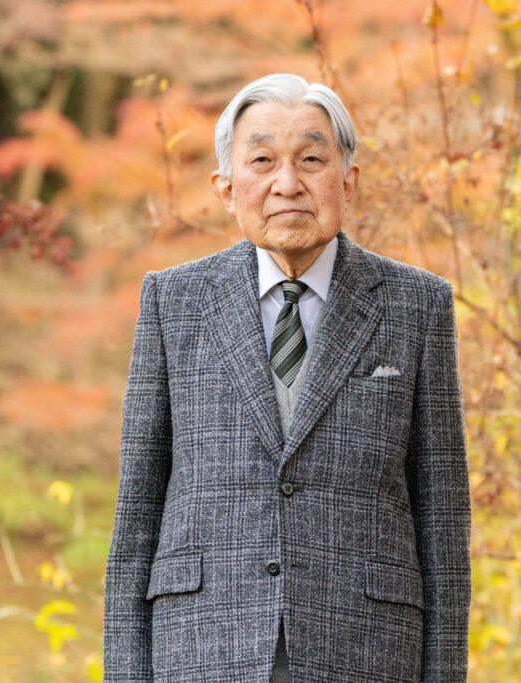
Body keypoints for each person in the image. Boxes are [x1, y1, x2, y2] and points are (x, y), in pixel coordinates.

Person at [104, 73, 471, 682]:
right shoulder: (175, 301)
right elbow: (138, 508)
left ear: (347, 180)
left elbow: (443, 517)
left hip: (368, 650)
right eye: (263, 161)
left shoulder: (416, 305)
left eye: (310, 159)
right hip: (201, 646)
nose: (287, 184)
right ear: (226, 188)